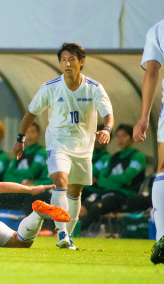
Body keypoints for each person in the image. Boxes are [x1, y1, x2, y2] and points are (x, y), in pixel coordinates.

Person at [13, 43, 114, 250]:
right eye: (63, 60)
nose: (67, 64)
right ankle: (61, 233)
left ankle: (68, 234)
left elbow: (108, 115)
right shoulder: (50, 87)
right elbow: (31, 113)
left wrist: (107, 130)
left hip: (84, 148)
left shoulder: (94, 87)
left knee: (75, 193)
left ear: (81, 62)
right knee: (60, 181)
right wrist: (20, 138)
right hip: (57, 143)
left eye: (72, 59)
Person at [133, 18, 164, 264]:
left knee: (163, 170)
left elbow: (152, 71)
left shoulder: (158, 29)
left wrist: (144, 117)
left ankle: (163, 237)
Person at [79, 124, 146, 235]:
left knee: (96, 207)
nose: (120, 140)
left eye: (124, 136)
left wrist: (109, 180)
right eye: (118, 136)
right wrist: (114, 181)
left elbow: (126, 178)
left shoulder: (138, 157)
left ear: (132, 138)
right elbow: (101, 180)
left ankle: (75, 232)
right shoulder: (113, 158)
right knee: (82, 207)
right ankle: (69, 230)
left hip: (123, 194)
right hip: (105, 192)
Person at [81, 124, 112, 200]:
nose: (97, 139)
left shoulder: (106, 157)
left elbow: (88, 172)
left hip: (92, 190)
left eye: (101, 136)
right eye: (96, 136)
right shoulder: (86, 154)